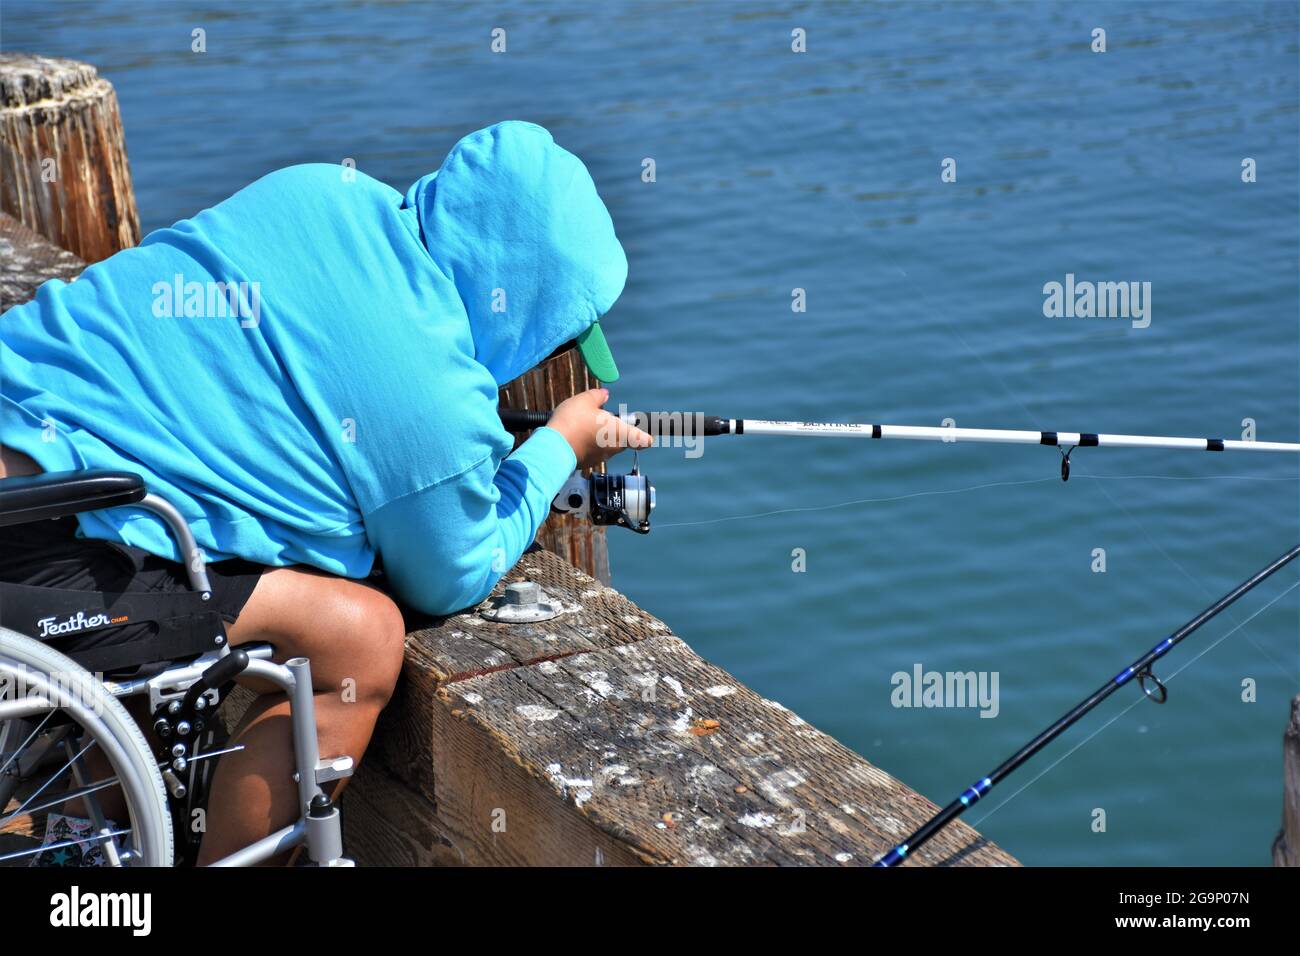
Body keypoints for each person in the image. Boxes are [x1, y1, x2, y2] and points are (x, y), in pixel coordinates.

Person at [0, 120, 652, 864]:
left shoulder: (317, 189)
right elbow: (452, 574)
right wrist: (557, 446)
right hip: (41, 551)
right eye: (557, 332)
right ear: (527, 308)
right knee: (362, 636)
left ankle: (80, 840)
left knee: (185, 594)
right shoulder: (432, 398)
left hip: (27, 457)